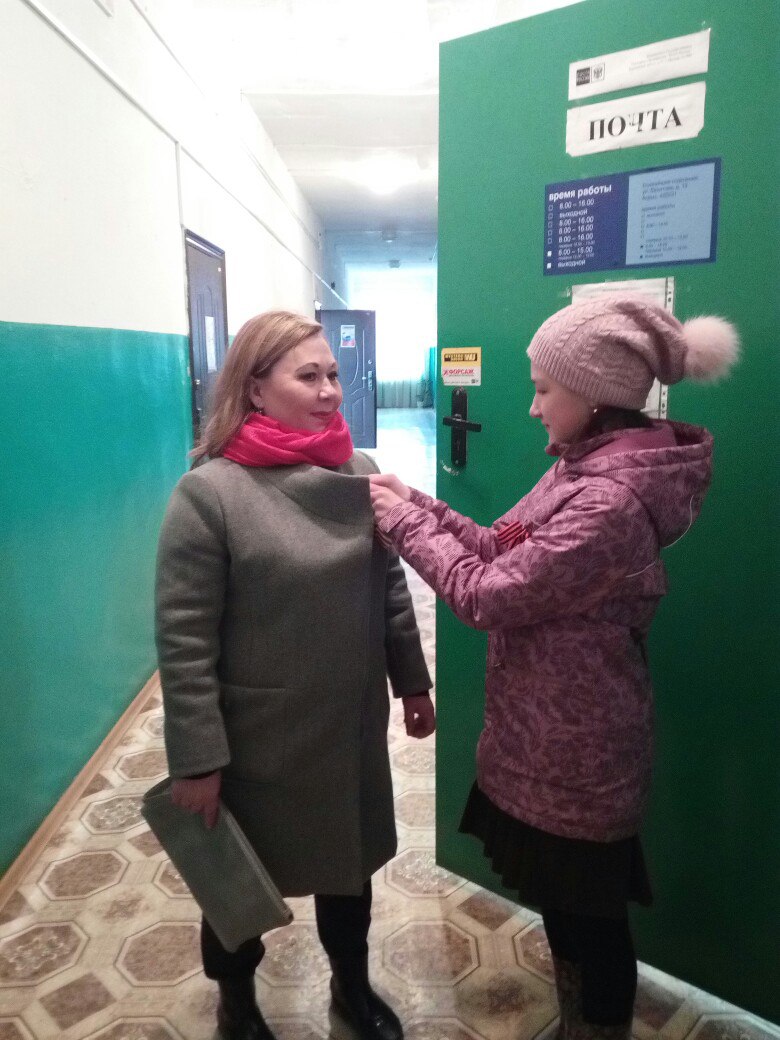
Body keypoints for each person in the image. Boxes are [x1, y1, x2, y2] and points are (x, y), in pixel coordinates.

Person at [368, 296, 739, 1040]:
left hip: (579, 749)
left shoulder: (610, 500)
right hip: (540, 735)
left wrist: (399, 522)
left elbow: (486, 595)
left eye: (544, 389)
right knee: (565, 907)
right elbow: (502, 546)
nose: (532, 408)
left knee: (592, 921)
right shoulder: (580, 468)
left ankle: (596, 1028)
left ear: (596, 395)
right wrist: (421, 505)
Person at [155, 310, 434, 1040]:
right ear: (254, 388)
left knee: (350, 868)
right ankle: (236, 1004)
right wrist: (197, 758)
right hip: (257, 739)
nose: (330, 391)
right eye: (308, 376)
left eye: (333, 374)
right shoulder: (210, 494)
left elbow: (388, 586)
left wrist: (412, 681)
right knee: (237, 882)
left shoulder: (357, 473)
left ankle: (351, 988)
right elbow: (184, 640)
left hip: (348, 726)